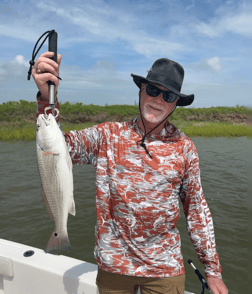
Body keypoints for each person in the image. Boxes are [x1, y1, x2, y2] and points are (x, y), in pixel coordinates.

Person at [32, 52, 229, 294]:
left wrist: (212, 270)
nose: (158, 99)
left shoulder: (185, 148)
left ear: (175, 103)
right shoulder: (108, 135)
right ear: (141, 90)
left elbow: (197, 210)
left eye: (167, 95)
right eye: (153, 90)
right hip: (112, 266)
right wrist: (46, 97)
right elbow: (60, 148)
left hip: (164, 269)